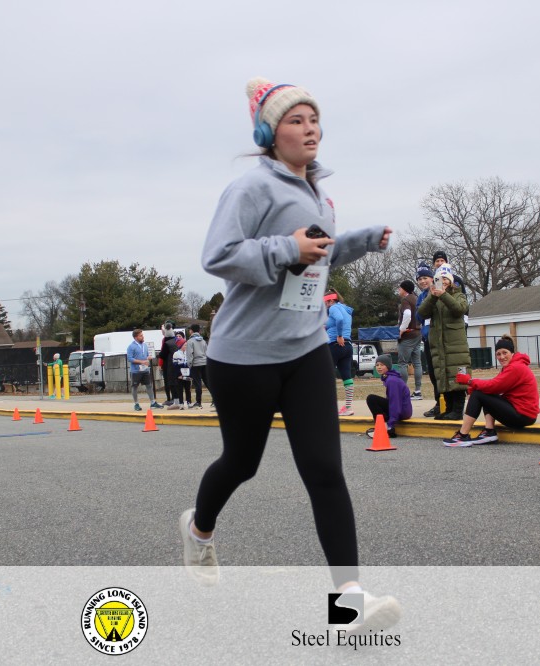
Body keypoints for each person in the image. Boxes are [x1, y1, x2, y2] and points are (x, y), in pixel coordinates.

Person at [180, 76, 399, 627]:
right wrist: (286, 247)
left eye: (313, 119)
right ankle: (199, 530)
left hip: (305, 349)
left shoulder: (318, 193)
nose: (309, 129)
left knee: (325, 471)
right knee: (241, 463)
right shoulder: (251, 188)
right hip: (244, 355)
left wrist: (360, 241)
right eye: (295, 121)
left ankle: (350, 601)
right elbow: (218, 255)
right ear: (269, 134)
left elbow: (315, 257)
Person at [442, 335, 539, 446]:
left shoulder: (516, 367)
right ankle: (489, 432)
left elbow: (494, 386)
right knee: (484, 392)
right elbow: (493, 385)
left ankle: (462, 435)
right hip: (524, 414)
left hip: (523, 415)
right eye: (498, 354)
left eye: (505, 353)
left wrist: (469, 381)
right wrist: (473, 385)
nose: (502, 357)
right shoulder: (513, 365)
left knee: (479, 394)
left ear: (512, 353)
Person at [417, 263, 471, 420]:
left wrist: (443, 295)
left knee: (458, 377)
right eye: (439, 279)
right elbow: (422, 313)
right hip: (439, 346)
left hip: (456, 347)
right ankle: (448, 409)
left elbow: (459, 309)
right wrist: (432, 296)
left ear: (451, 280)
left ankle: (458, 410)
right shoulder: (433, 298)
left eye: (446, 279)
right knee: (443, 376)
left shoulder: (459, 295)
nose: (443, 282)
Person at [365, 354, 412, 439]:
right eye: (377, 365)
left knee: (371, 399)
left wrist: (391, 425)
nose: (379, 367)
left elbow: (395, 403)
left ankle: (385, 427)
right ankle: (381, 426)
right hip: (402, 409)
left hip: (402, 411)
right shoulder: (389, 377)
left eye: (382, 365)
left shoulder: (392, 380)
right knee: (374, 400)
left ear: (388, 366)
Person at [324, 289, 356, 416]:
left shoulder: (333, 308)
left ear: (331, 300)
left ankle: (327, 407)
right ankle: (348, 408)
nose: (326, 305)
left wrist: (339, 335)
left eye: (326, 302)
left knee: (325, 376)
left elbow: (339, 320)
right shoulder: (346, 309)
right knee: (347, 377)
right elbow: (339, 321)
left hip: (334, 345)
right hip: (347, 346)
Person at [415, 265, 440, 416]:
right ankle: (439, 402)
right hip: (427, 338)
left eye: (425, 278)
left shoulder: (438, 291)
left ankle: (447, 403)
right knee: (432, 373)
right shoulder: (421, 297)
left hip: (439, 338)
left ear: (432, 278)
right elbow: (419, 316)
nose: (423, 281)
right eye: (420, 279)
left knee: (440, 372)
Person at [396, 279, 423, 399]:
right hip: (418, 333)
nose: (399, 290)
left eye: (400, 288)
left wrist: (402, 328)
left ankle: (403, 392)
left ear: (404, 289)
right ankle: (418, 391)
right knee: (417, 363)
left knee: (402, 363)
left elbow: (407, 314)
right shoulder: (416, 298)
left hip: (408, 335)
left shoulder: (405, 300)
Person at [126, 329, 162, 411]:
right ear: (136, 337)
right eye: (141, 336)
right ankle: (136, 404)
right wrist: (141, 362)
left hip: (145, 369)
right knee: (135, 386)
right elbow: (130, 358)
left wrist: (148, 358)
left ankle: (153, 402)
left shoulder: (145, 345)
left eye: (142, 335)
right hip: (136, 370)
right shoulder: (131, 347)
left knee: (149, 385)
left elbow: (146, 355)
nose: (143, 337)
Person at [185, 324, 209, 408]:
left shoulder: (190, 341)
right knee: (207, 382)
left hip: (195, 364)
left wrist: (189, 365)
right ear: (199, 331)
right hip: (204, 363)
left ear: (191, 331)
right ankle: (216, 399)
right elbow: (207, 352)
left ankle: (198, 402)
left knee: (197, 383)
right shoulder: (203, 341)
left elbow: (189, 354)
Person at [159, 323, 181, 408]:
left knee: (171, 382)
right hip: (178, 362)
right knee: (177, 382)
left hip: (169, 364)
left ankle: (175, 401)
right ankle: (179, 400)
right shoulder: (177, 340)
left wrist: (159, 356)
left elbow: (162, 354)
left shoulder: (166, 342)